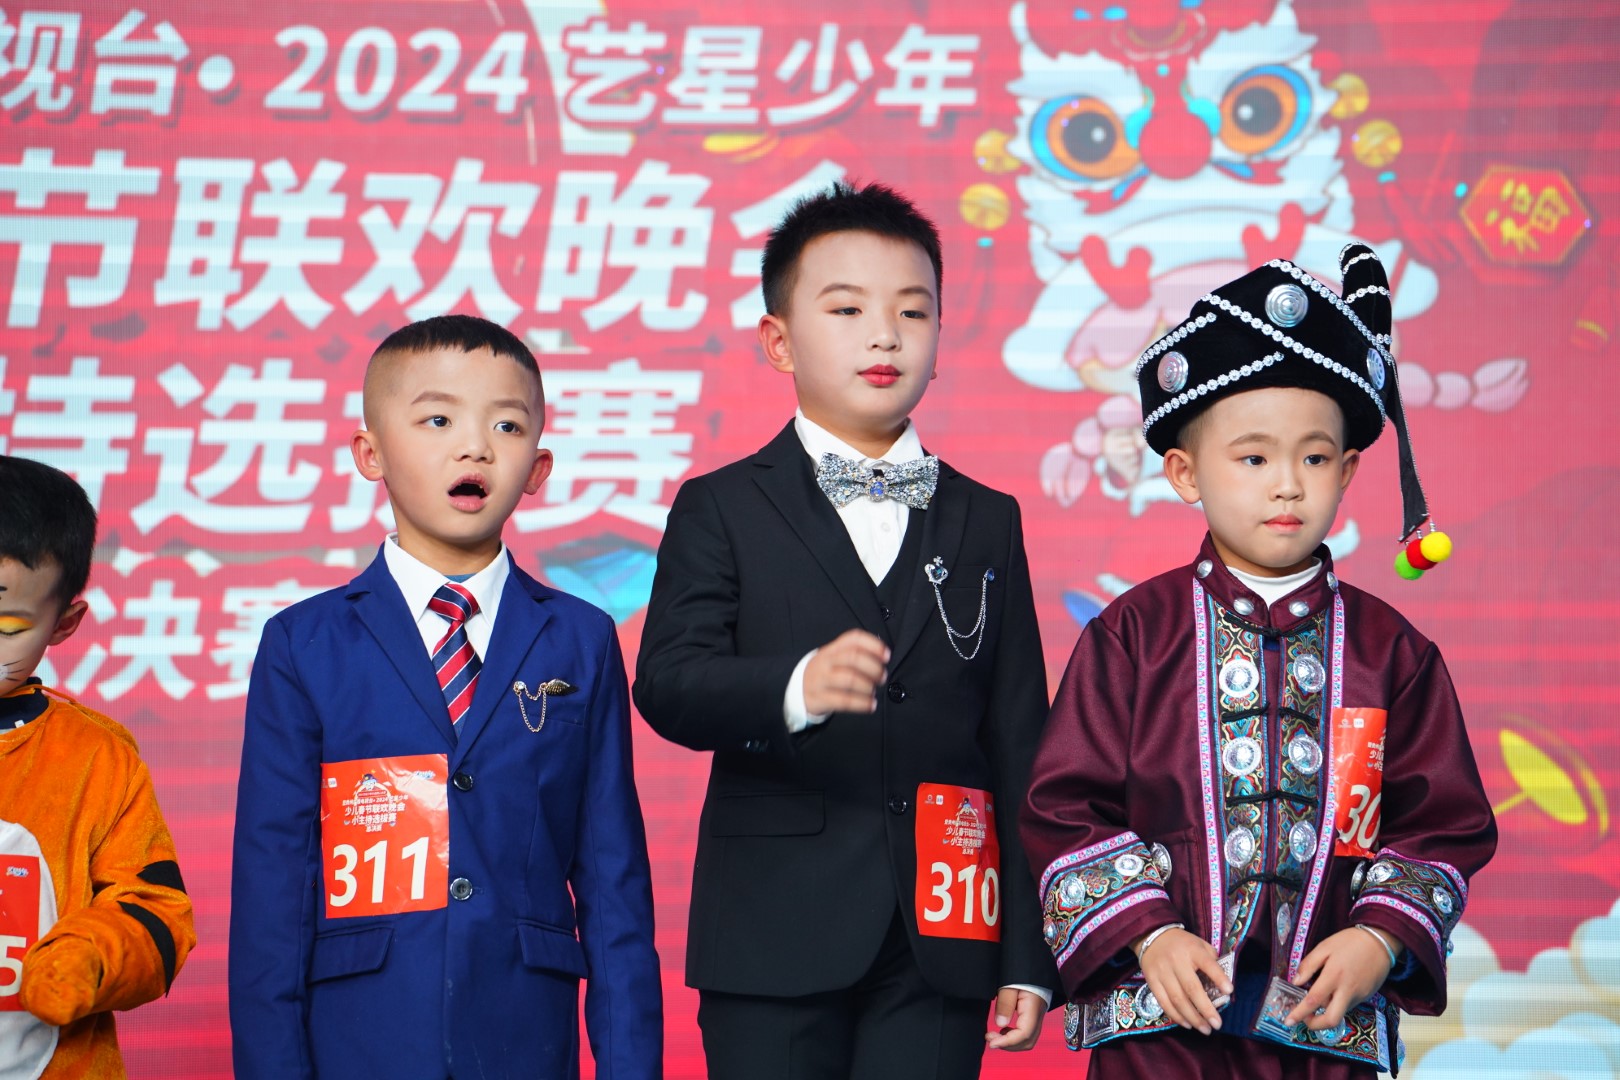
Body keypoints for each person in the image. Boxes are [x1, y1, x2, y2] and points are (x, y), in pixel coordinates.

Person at [1020, 246, 1497, 1077]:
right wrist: (1150, 932)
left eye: (1314, 458)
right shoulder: (1133, 635)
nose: (1287, 485)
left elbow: (1442, 822)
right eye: (1253, 458)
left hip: (1324, 1031)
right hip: (1157, 1031)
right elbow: (1063, 805)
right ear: (1184, 473)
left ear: (1348, 471)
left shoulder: (1392, 652)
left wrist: (1381, 938)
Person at [634, 181, 1056, 1080]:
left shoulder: (989, 518)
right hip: (772, 926)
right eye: (847, 309)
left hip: (946, 928)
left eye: (913, 311)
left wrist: (1028, 951)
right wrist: (793, 688)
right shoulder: (720, 505)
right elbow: (668, 681)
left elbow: (1019, 740)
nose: (885, 336)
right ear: (778, 341)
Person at [228, 315, 662, 1080]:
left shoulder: (581, 639)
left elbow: (613, 885)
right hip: (363, 1041)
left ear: (538, 466)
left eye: (507, 425)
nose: (475, 448)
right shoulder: (305, 644)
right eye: (438, 420)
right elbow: (272, 896)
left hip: (524, 1040)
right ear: (370, 453)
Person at [0, 454, 195, 1078]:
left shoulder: (96, 758)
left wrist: (87, 957)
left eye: (6, 626)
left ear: (63, 624)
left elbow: (158, 909)